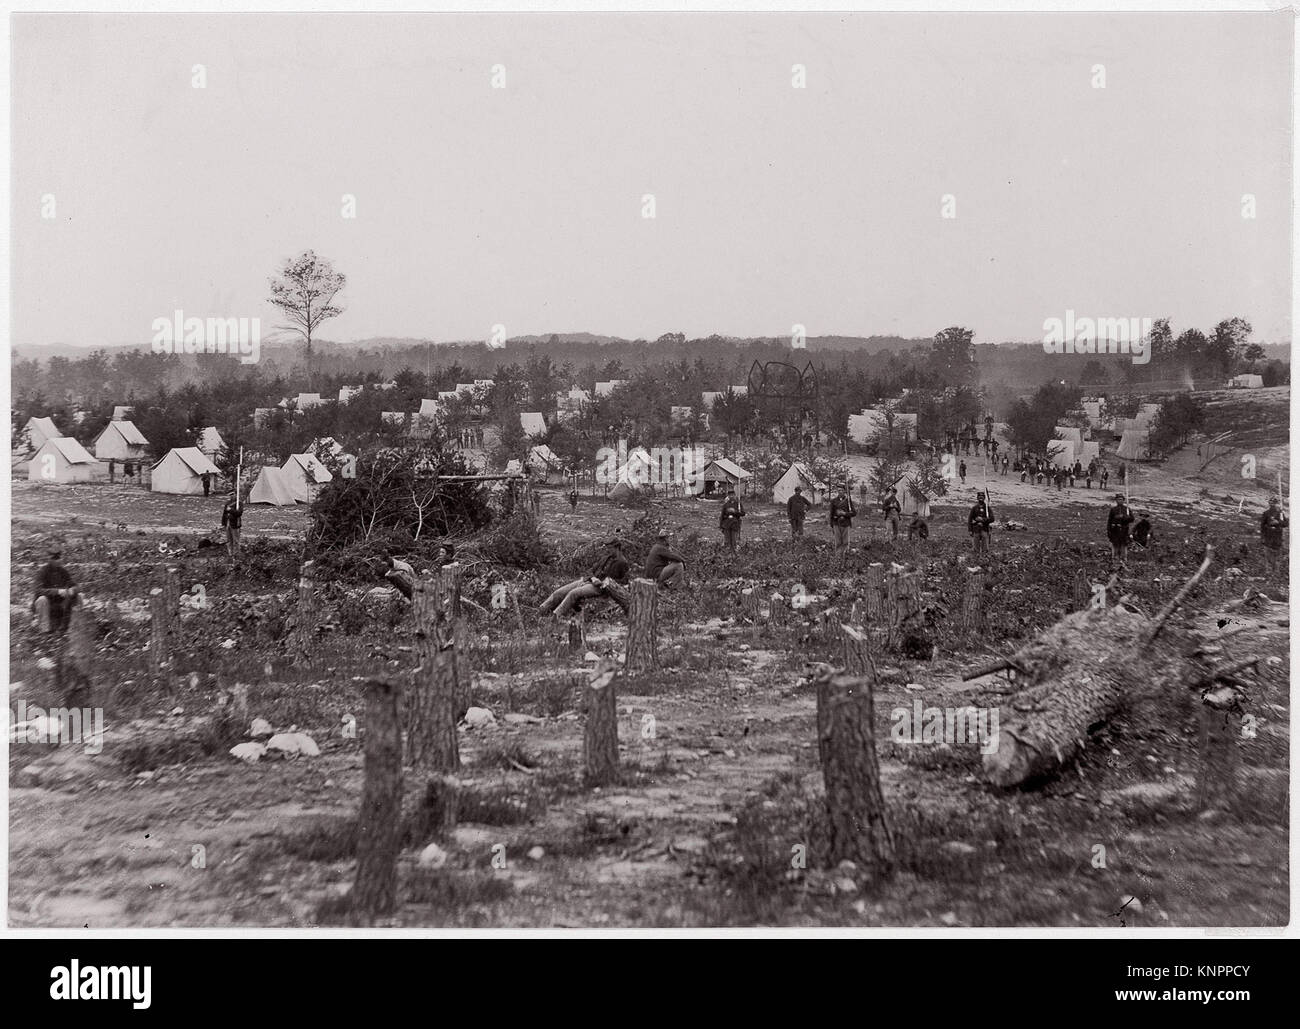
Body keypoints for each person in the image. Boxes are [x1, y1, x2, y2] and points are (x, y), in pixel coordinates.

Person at [541, 539, 631, 617]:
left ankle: (556, 616)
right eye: (607, 547)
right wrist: (593, 578)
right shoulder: (606, 558)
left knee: (573, 593)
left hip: (600, 588)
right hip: (589, 580)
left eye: (610, 548)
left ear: (617, 548)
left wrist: (603, 583)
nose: (608, 550)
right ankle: (542, 610)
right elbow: (590, 570)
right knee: (559, 592)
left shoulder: (622, 563)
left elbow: (622, 582)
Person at [33, 548, 76, 635]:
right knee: (42, 599)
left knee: (79, 596)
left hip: (60, 603)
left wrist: (73, 589)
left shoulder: (63, 572)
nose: (57, 561)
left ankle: (74, 627)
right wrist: (57, 591)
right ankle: (44, 630)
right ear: (49, 559)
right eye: (54, 559)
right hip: (46, 603)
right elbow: (38, 590)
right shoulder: (42, 572)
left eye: (58, 558)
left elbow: (75, 585)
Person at [1259, 496, 1288, 577]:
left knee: (1277, 556)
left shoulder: (1280, 513)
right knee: (1268, 555)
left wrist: (1278, 522)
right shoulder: (1266, 513)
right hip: (1269, 536)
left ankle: (1276, 573)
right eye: (1271, 503)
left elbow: (1286, 524)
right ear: (1269, 504)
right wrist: (1262, 537)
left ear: (1276, 504)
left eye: (1274, 503)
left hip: (1278, 536)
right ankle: (1268, 572)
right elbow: (1262, 526)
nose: (1272, 505)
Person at [1107, 494, 1134, 572]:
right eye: (1118, 499)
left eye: (1121, 499)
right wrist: (1109, 531)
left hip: (1124, 531)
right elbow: (1109, 521)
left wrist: (1125, 517)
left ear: (1123, 500)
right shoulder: (1113, 510)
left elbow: (1132, 519)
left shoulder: (1127, 509)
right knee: (1115, 545)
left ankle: (1124, 560)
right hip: (1115, 531)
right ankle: (1114, 560)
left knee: (1123, 546)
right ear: (1116, 500)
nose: (1120, 501)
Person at [829, 488, 856, 552]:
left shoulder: (848, 501)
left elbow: (854, 513)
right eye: (839, 490)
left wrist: (844, 513)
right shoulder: (833, 501)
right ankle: (838, 559)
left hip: (846, 523)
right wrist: (831, 525)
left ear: (844, 491)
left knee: (845, 542)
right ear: (837, 491)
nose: (840, 492)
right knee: (838, 542)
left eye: (842, 490)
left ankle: (845, 556)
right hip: (836, 523)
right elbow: (831, 514)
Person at [719, 487, 745, 552]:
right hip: (726, 524)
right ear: (728, 496)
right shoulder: (725, 505)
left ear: (735, 495)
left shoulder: (738, 504)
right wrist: (721, 525)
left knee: (734, 541)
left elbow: (743, 513)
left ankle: (734, 554)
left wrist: (735, 512)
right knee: (727, 541)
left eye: (732, 495)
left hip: (735, 523)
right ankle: (727, 555)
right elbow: (722, 515)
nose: (731, 496)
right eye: (729, 495)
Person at [968, 491, 993, 558]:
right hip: (976, 528)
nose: (980, 498)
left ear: (984, 498)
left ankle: (984, 556)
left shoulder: (987, 508)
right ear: (977, 498)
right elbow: (970, 519)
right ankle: (976, 556)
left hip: (984, 528)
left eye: (982, 497)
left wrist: (983, 520)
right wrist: (970, 530)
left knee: (985, 540)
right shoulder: (974, 508)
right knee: (976, 542)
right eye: (979, 497)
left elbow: (992, 519)